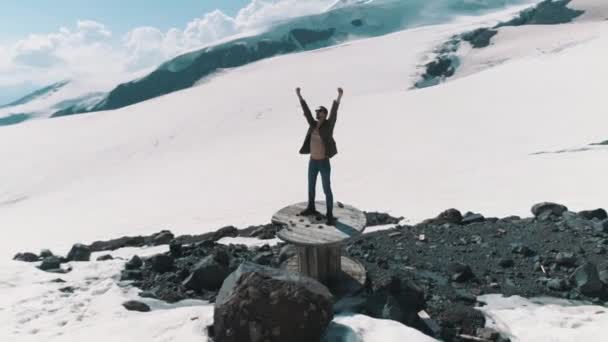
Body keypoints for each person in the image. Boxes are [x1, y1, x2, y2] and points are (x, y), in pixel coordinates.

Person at [295, 87, 343, 225]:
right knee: (311, 186)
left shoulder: (329, 125)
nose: (317, 113)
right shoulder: (313, 124)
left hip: (323, 162)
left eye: (319, 111)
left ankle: (329, 215)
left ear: (324, 114)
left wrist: (339, 97)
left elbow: (334, 112)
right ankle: (311, 207)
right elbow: (306, 112)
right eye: (316, 111)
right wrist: (299, 96)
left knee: (326, 188)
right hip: (313, 162)